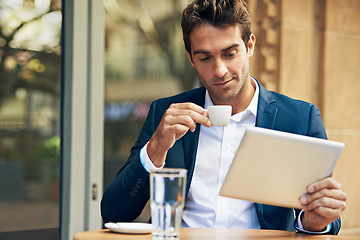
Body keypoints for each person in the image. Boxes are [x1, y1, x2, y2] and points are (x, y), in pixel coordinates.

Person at [101, 0, 346, 234]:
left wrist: (313, 221)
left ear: (250, 45)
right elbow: (114, 212)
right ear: (191, 59)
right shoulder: (165, 114)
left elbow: (327, 220)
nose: (219, 70)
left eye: (229, 54)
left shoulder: (299, 119)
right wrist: (155, 149)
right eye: (205, 58)